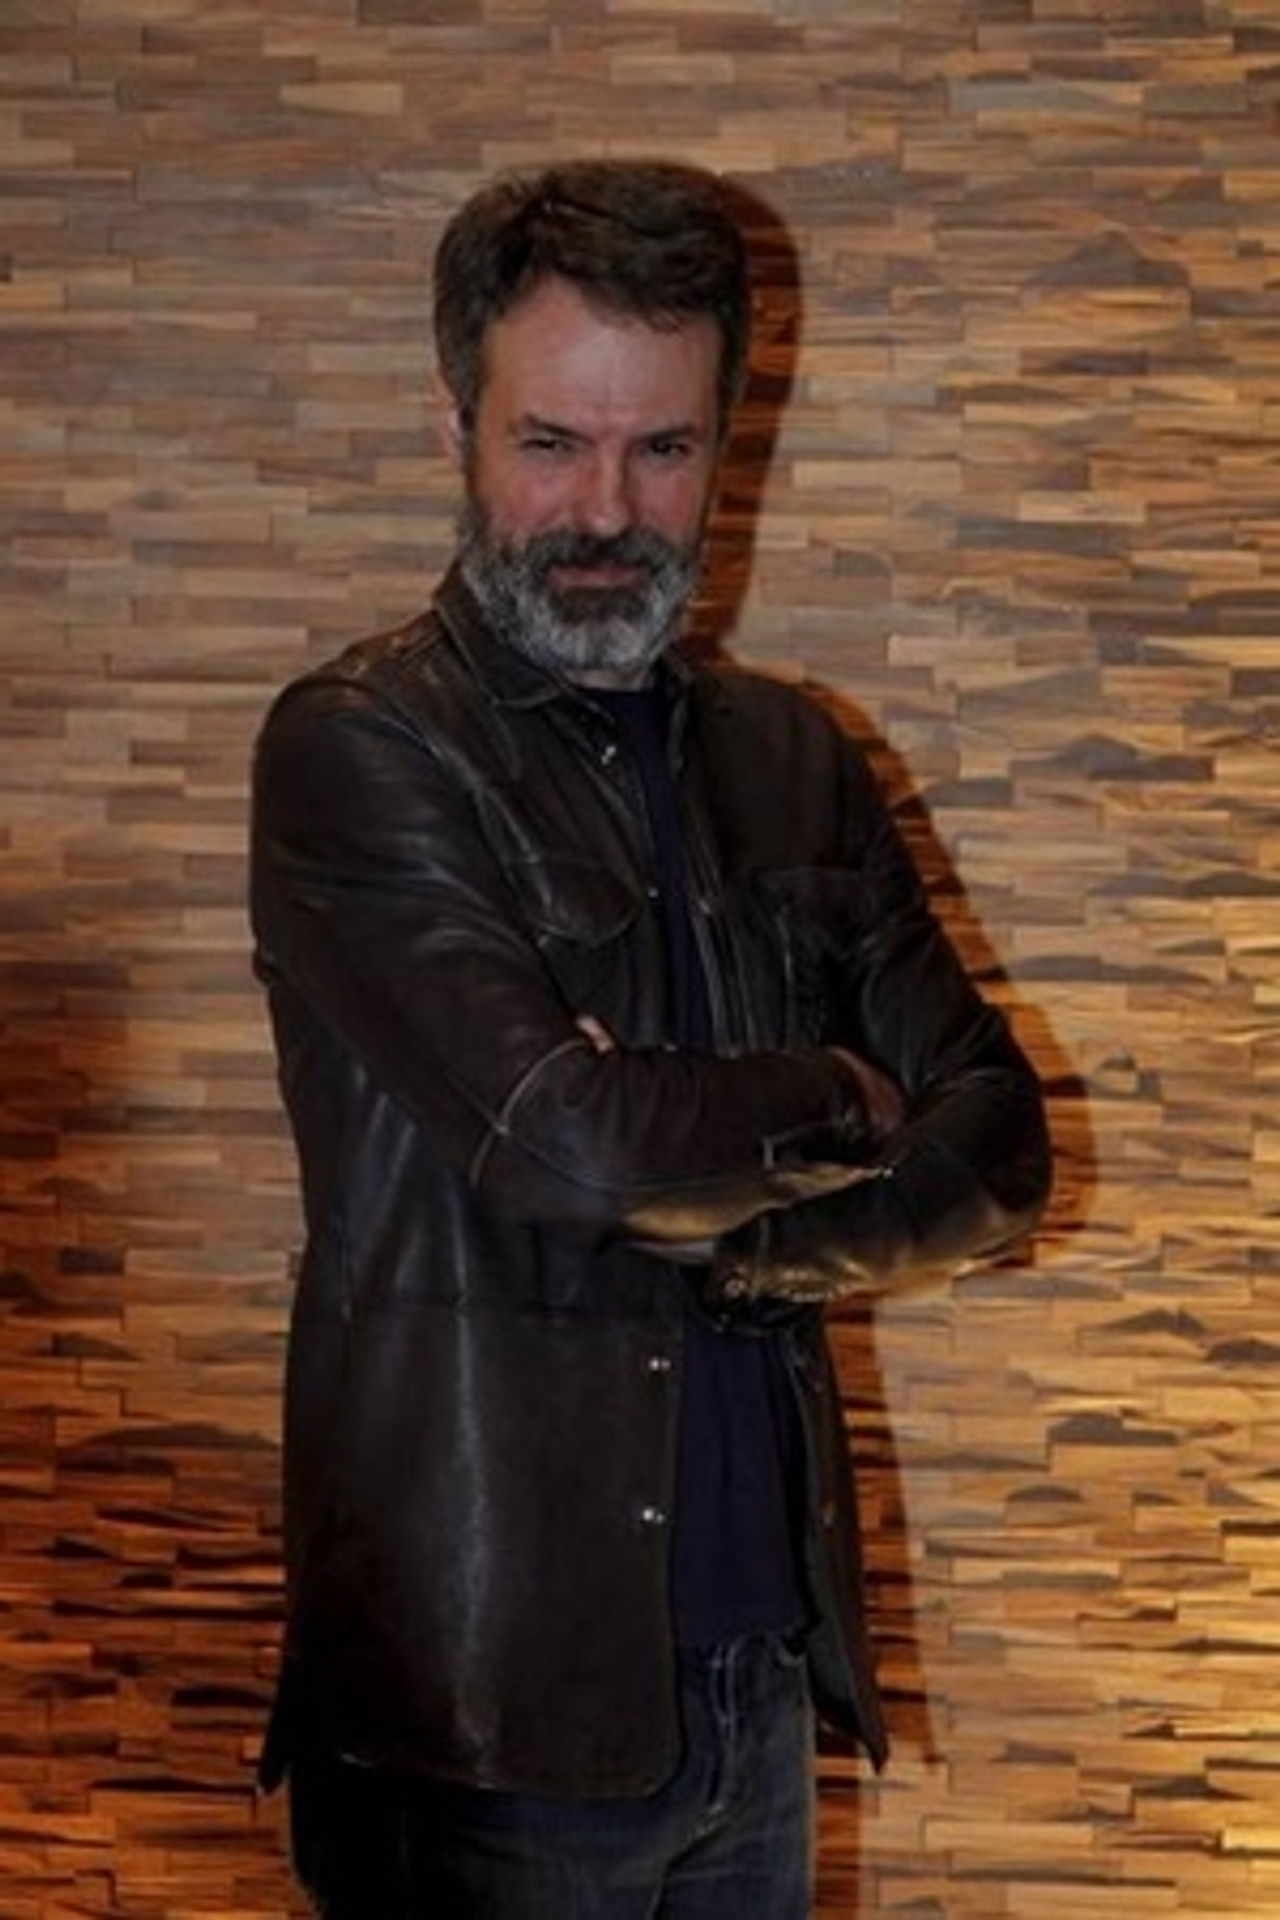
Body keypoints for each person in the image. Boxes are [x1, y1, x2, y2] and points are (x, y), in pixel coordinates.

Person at [249, 159, 1051, 1919]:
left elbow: (1002, 1140)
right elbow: (571, 1143)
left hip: (757, 1682)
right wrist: (846, 1092)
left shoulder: (795, 759)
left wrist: (758, 1241)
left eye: (661, 447)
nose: (605, 510)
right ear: (458, 423)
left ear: (725, 443)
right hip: (479, 1716)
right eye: (552, 442)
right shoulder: (364, 748)